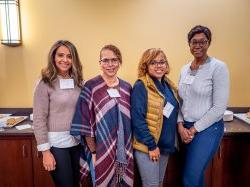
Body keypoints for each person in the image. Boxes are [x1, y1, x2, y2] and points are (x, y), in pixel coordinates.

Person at [70, 44, 134, 187]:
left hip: (125, 150)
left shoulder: (127, 87)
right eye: (105, 60)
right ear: (100, 63)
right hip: (100, 150)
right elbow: (85, 122)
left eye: (114, 60)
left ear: (120, 62)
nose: (110, 64)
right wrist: (93, 152)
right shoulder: (91, 86)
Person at [177, 25, 230, 187]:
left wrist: (193, 129)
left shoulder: (218, 68)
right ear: (189, 44)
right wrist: (180, 125)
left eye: (203, 42)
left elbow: (219, 108)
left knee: (190, 178)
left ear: (209, 43)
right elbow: (180, 101)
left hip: (208, 129)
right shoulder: (184, 69)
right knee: (196, 177)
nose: (198, 46)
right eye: (194, 42)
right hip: (185, 128)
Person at [33, 40, 83, 187]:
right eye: (61, 55)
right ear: (53, 57)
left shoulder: (78, 81)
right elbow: (39, 118)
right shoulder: (45, 82)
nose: (65, 60)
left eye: (69, 56)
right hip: (56, 144)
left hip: (76, 141)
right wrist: (45, 152)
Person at [131, 48, 179, 187]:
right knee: (151, 184)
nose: (159, 66)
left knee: (158, 183)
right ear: (145, 65)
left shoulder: (168, 84)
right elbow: (138, 119)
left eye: (162, 62)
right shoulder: (141, 85)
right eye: (153, 62)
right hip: (149, 146)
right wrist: (152, 146)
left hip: (165, 145)